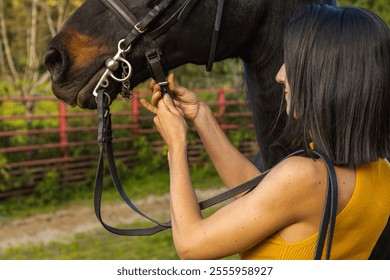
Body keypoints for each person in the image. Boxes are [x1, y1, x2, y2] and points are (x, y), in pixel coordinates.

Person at [140, 4, 390, 260]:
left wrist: (176, 146)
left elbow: (191, 245)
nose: (280, 75)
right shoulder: (380, 172)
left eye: (292, 62)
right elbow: (262, 194)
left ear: (326, 78)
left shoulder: (305, 177)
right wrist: (201, 116)